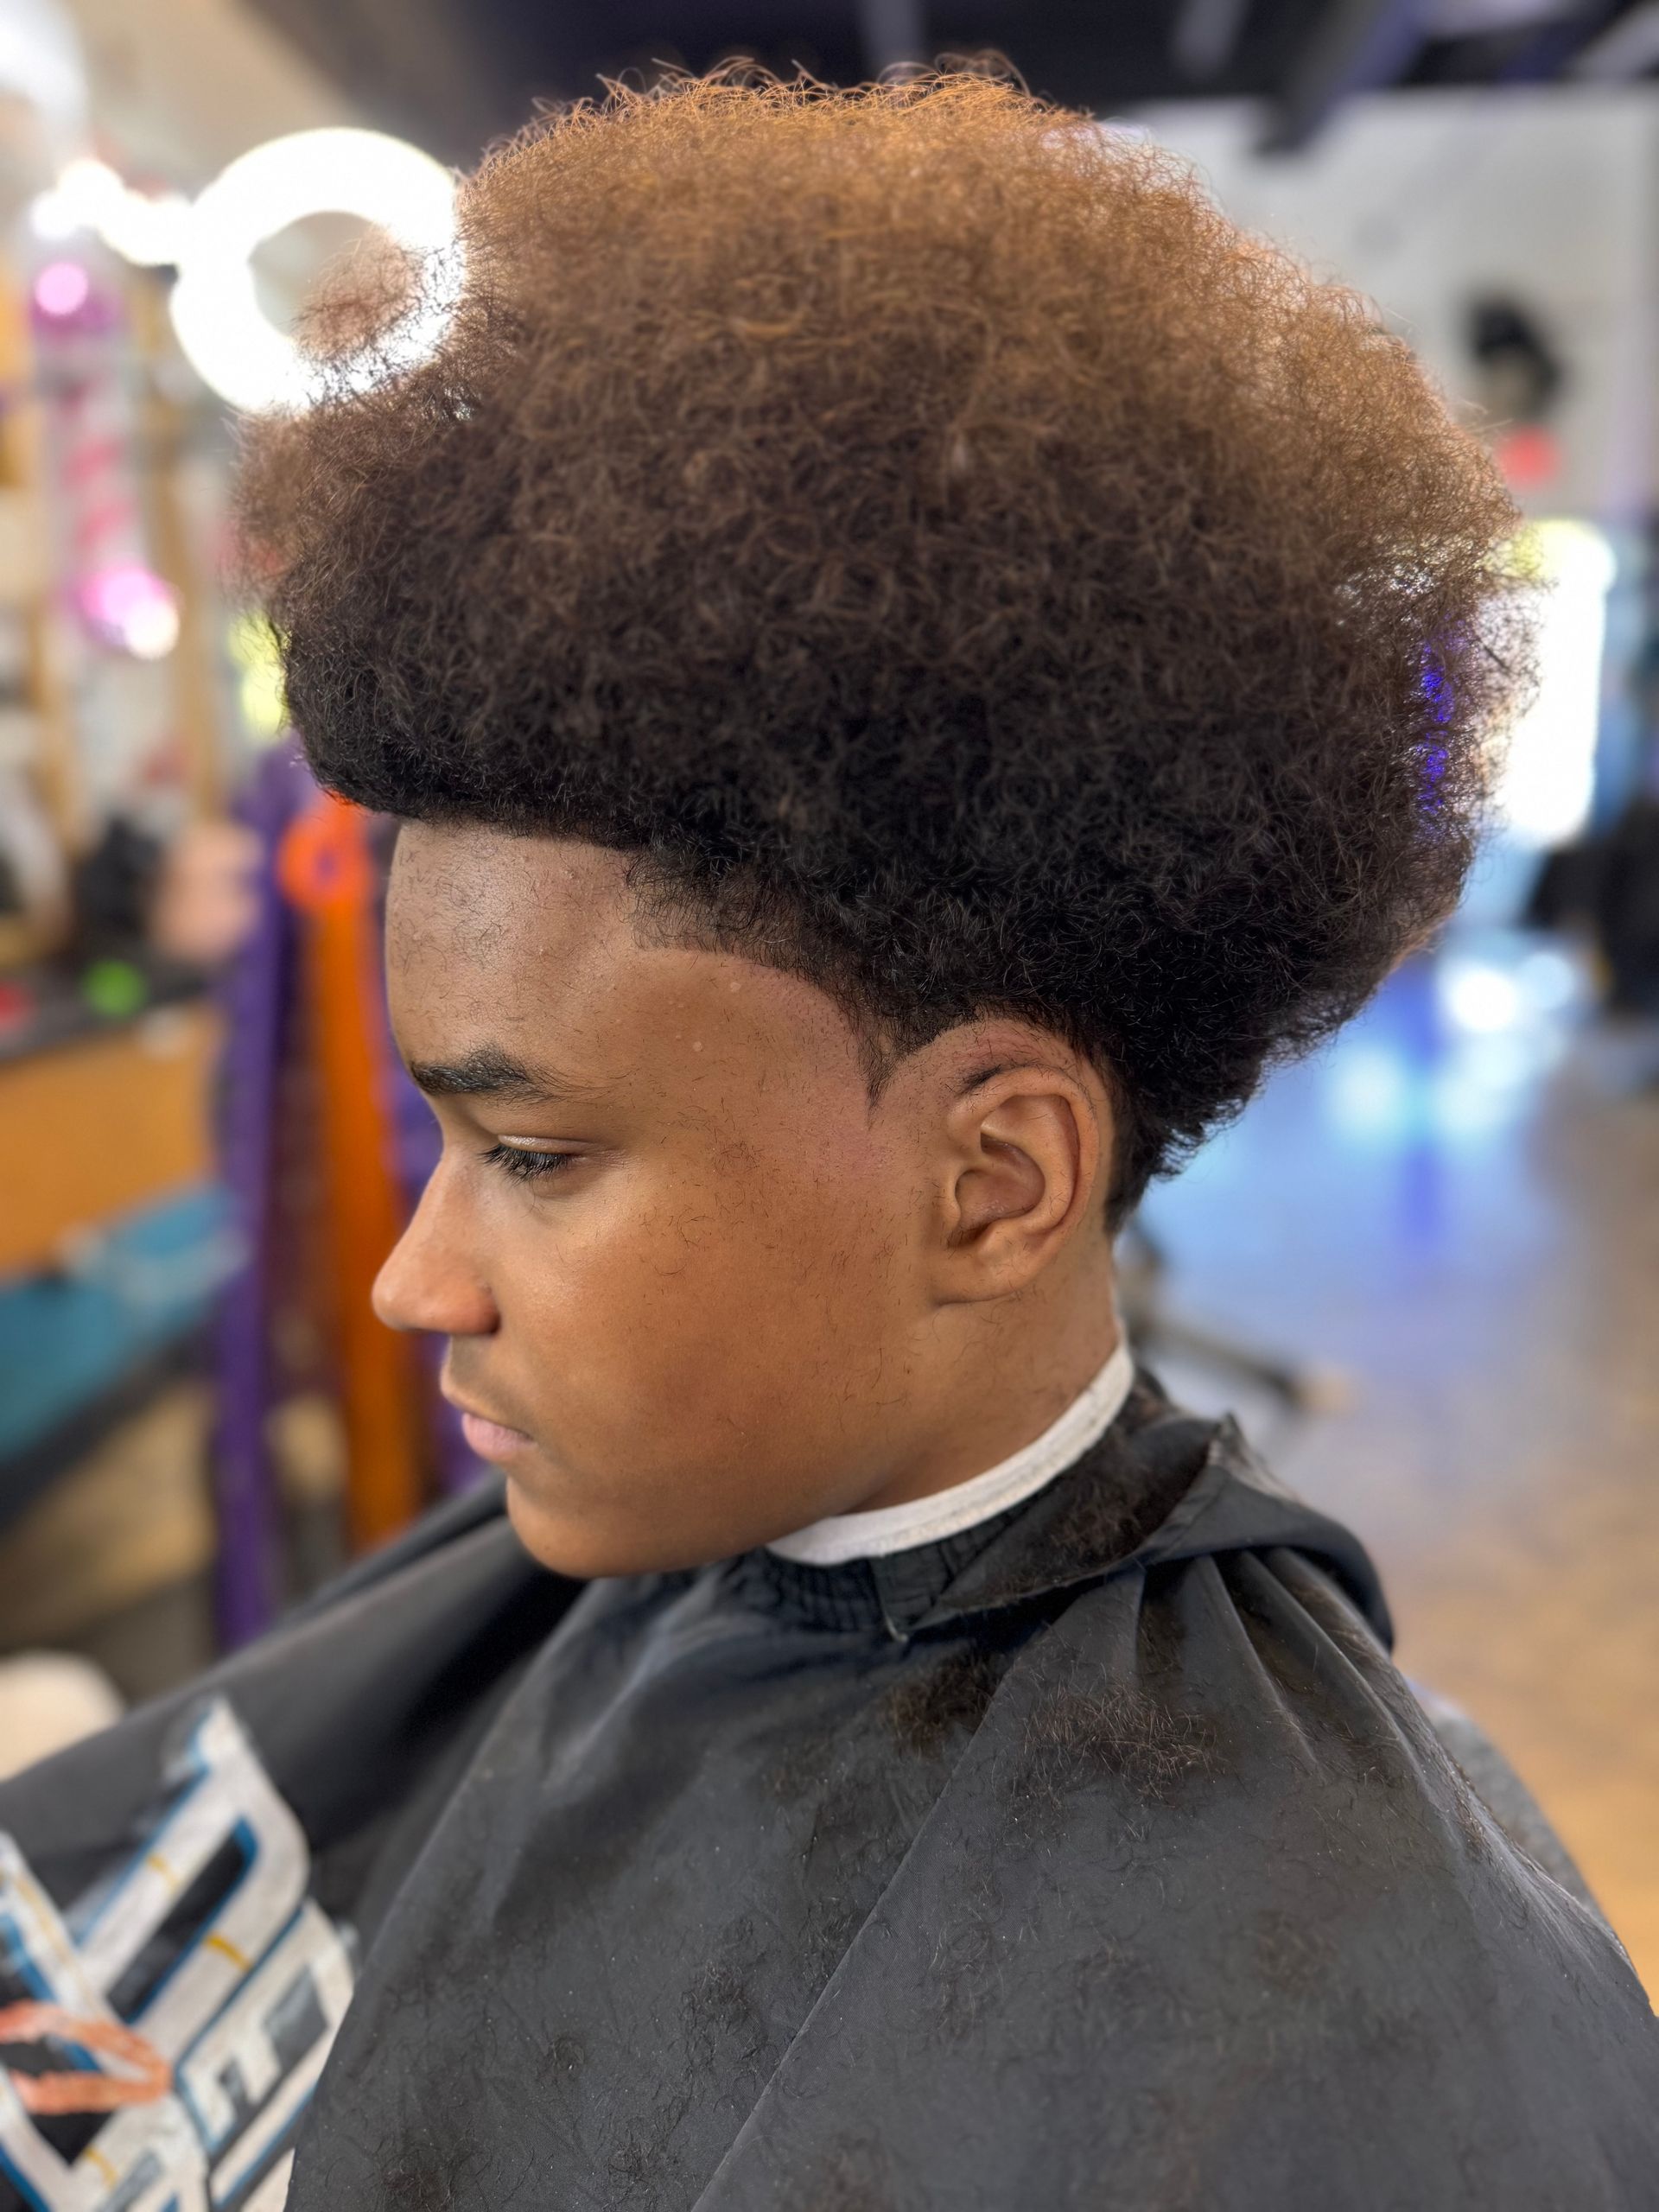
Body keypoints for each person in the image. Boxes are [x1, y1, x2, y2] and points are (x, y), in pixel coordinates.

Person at [2, 73, 1655, 2212]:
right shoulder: (608, 1540)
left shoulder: (1364, 2028)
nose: (419, 1278)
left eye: (540, 1155)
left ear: (997, 1176)